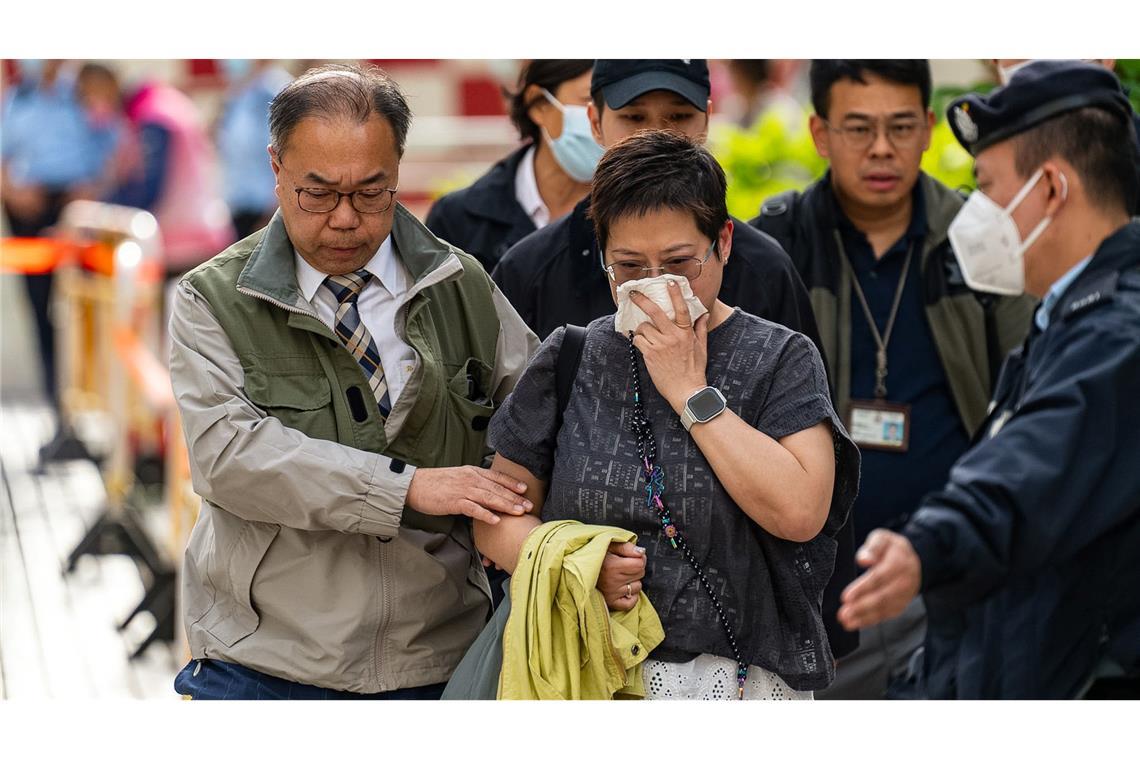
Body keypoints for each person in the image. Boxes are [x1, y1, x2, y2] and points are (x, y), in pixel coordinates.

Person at [168, 64, 538, 699]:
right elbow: (229, 455)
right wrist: (409, 488)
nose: (345, 219)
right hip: (265, 664)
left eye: (372, 192)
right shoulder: (212, 299)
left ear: (397, 170)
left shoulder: (461, 285)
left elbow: (534, 420)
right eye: (318, 192)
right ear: (276, 167)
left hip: (441, 656)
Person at [476, 130, 859, 699]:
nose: (654, 284)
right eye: (629, 266)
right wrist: (579, 568)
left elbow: (800, 511)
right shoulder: (572, 356)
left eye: (679, 262)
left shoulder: (780, 358)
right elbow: (494, 516)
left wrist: (690, 392)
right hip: (587, 671)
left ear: (723, 243)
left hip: (735, 683)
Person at [837, 60, 1140, 699]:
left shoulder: (1119, 335)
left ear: (1052, 188)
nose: (975, 212)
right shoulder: (1066, 319)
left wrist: (928, 545)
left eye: (988, 186)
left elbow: (1029, 471)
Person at [750, 60, 1036, 699]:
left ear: (930, 129)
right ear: (821, 133)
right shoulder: (776, 246)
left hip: (951, 581)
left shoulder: (981, 239)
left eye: (901, 126)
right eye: (859, 128)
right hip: (812, 590)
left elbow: (1028, 403)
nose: (882, 148)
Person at [491, 59, 821, 351]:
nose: (655, 135)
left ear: (707, 120)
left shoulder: (764, 268)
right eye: (634, 117)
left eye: (678, 116)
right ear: (594, 122)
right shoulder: (528, 271)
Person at [1, 59, 121, 405]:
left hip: (78, 211)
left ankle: (91, 399)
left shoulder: (84, 91)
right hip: (28, 211)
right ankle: (56, 399)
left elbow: (113, 148)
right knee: (40, 309)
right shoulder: (17, 99)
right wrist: (12, 191)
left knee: (90, 306)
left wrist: (92, 189)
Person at [426, 60, 595, 271]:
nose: (599, 117)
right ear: (540, 104)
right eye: (590, 100)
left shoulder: (632, 211)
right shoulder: (457, 218)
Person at [104, 75, 235, 279]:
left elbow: (150, 187)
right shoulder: (168, 102)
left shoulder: (155, 116)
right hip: (202, 228)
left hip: (179, 240)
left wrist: (105, 210)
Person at [216, 59, 294, 240]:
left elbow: (287, 155)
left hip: (267, 210)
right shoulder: (238, 94)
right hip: (240, 204)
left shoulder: (277, 91)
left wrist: (273, 212)